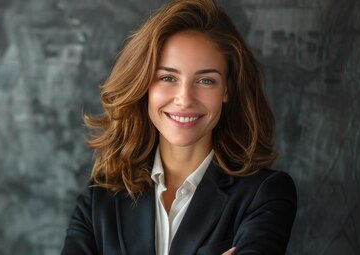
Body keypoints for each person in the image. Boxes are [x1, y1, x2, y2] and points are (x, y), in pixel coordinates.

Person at [61, 0, 297, 254]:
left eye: (206, 80)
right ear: (144, 85)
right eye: (167, 78)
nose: (184, 99)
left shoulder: (265, 195)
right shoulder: (99, 199)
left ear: (227, 89)